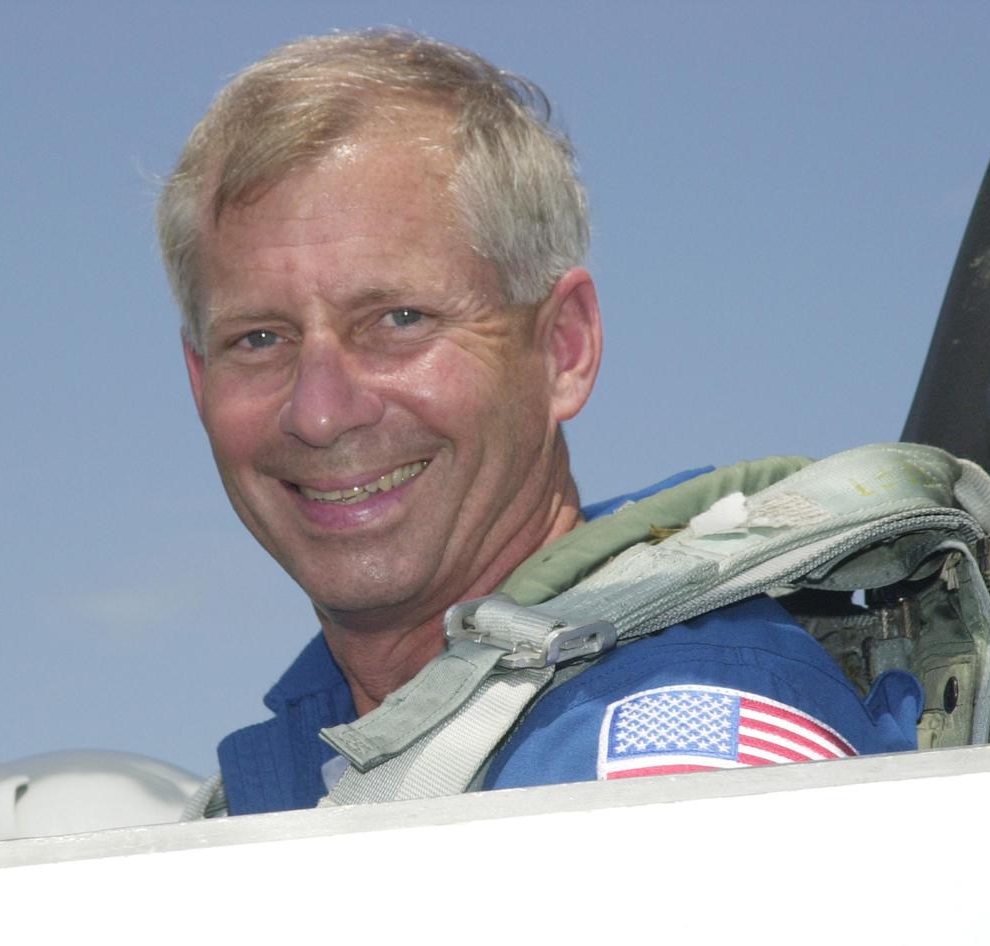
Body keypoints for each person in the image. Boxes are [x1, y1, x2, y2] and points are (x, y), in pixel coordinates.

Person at [156, 29, 921, 815]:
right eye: (258, 339)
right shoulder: (303, 765)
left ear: (564, 348)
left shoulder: (673, 769)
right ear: (198, 378)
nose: (319, 411)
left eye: (399, 319)